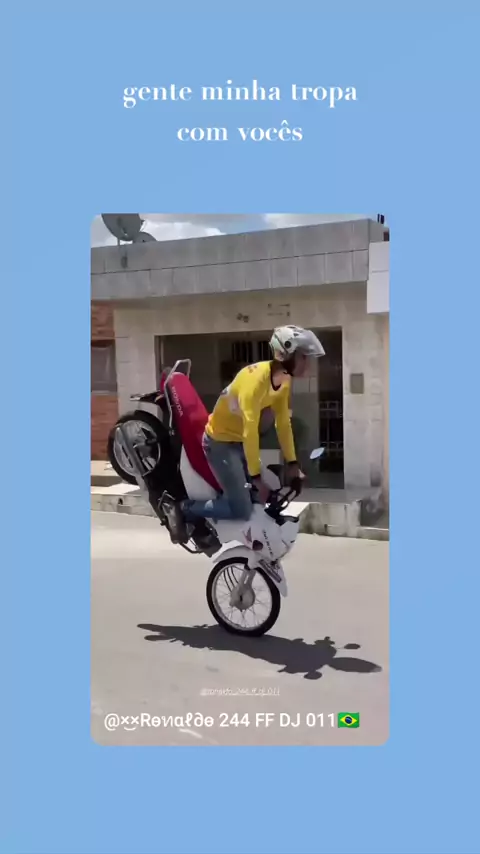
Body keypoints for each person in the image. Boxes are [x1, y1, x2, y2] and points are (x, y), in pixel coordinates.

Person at [166, 325, 325, 543]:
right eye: (303, 356)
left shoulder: (283, 381)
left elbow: (283, 423)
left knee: (267, 495)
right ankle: (184, 508)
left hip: (239, 441)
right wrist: (256, 478)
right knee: (241, 508)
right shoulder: (255, 381)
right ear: (285, 355)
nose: (308, 362)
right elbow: (250, 431)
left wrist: (293, 464)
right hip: (220, 442)